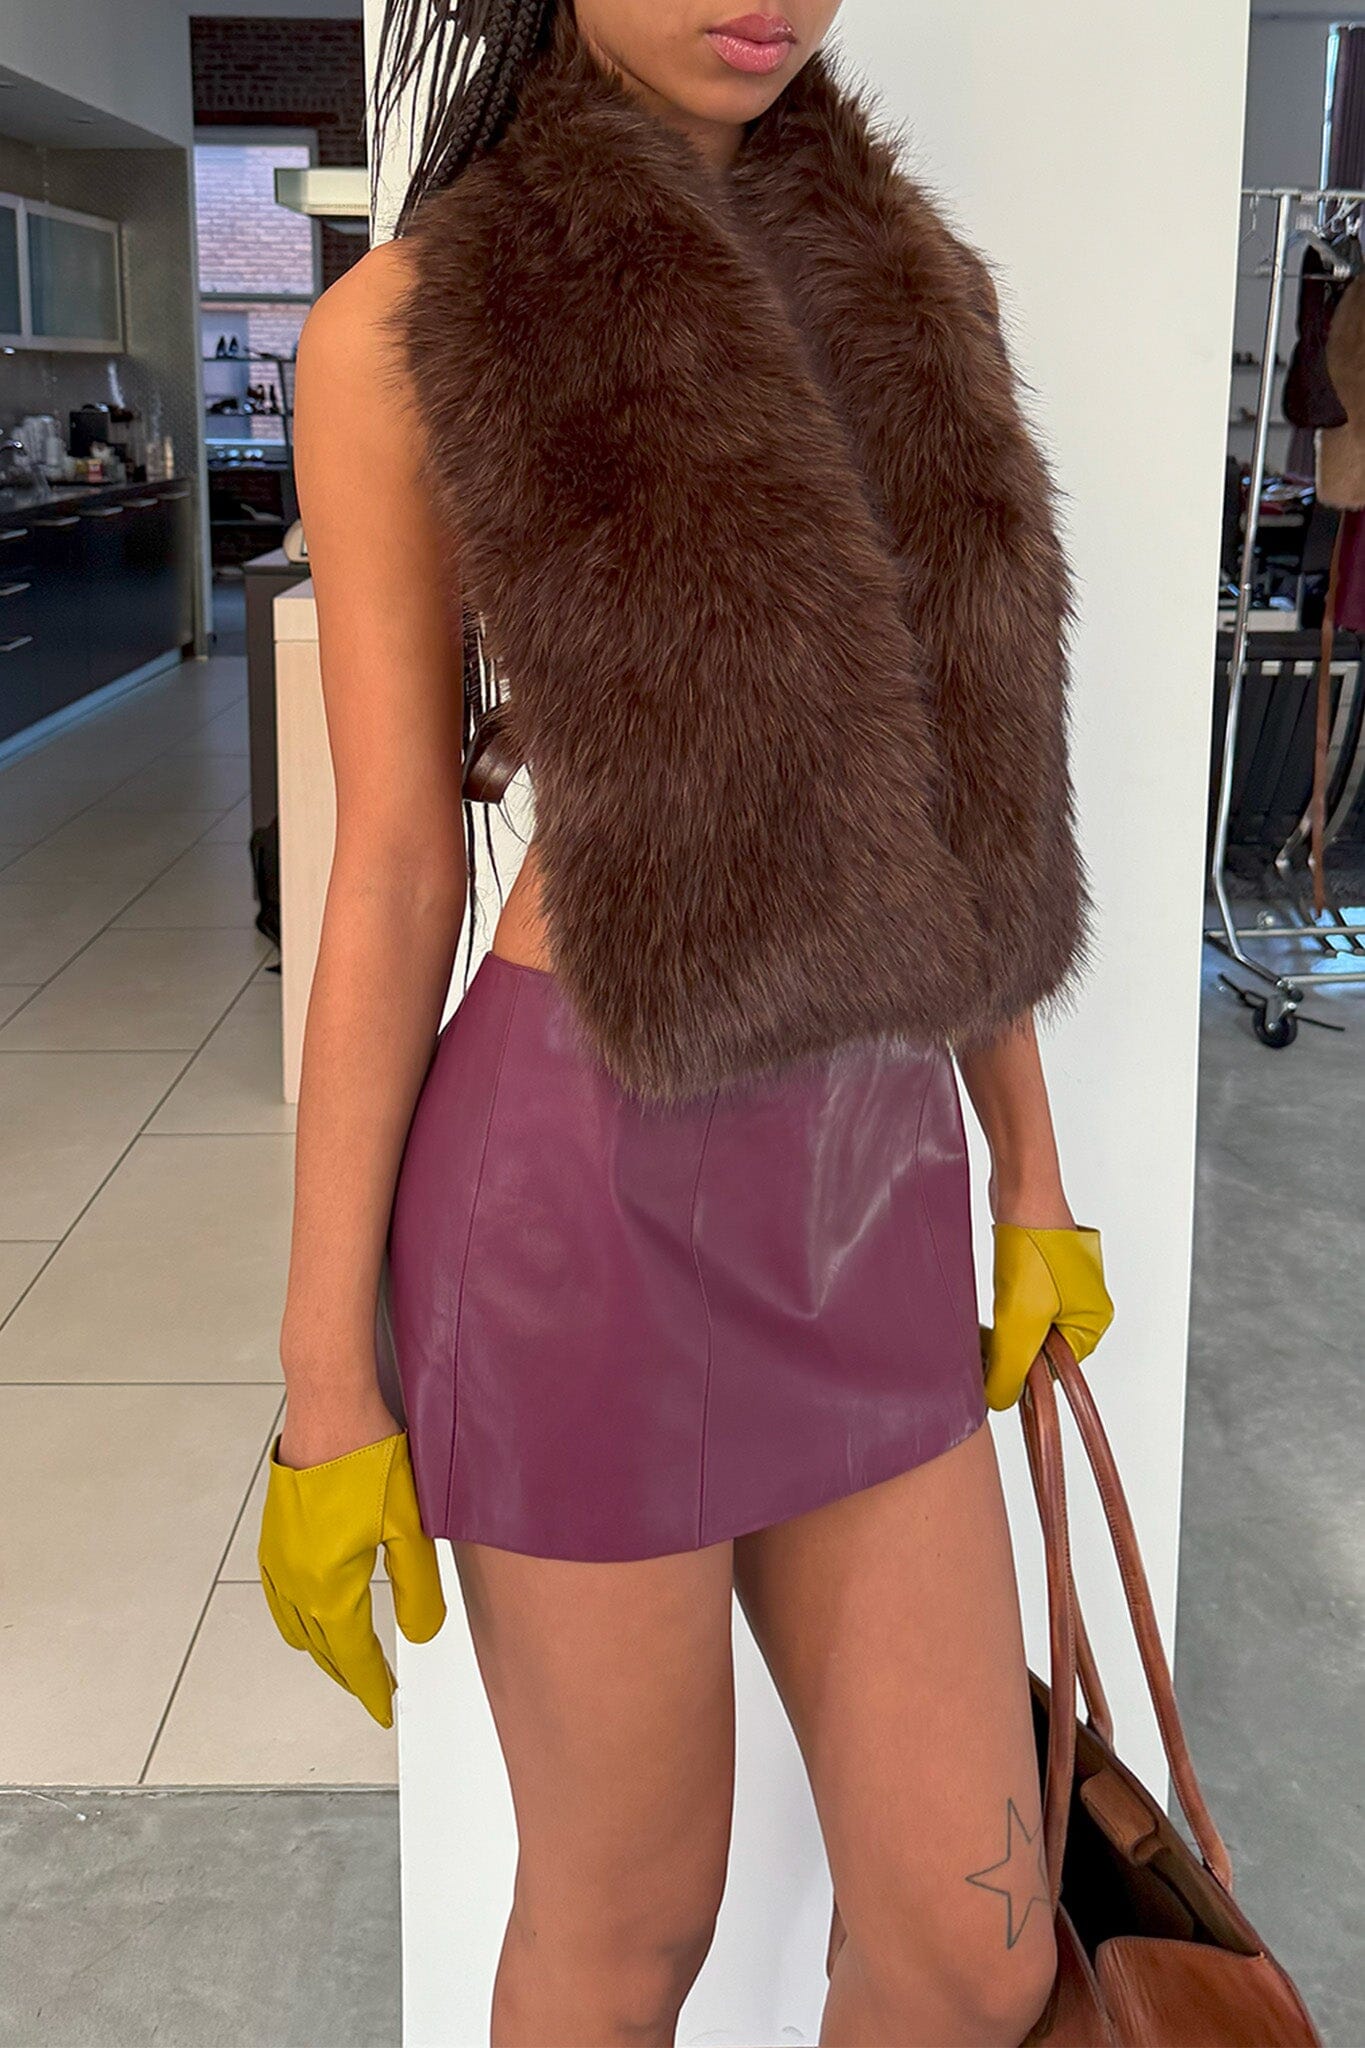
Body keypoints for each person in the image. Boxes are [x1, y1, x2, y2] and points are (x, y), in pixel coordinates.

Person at [257, 3, 1115, 2043]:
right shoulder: (407, 332)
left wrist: (1028, 1171)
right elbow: (394, 866)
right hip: (579, 1204)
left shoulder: (923, 303)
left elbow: (971, 793)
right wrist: (320, 1376)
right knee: (628, 1921)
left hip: (870, 1183)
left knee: (976, 1946)